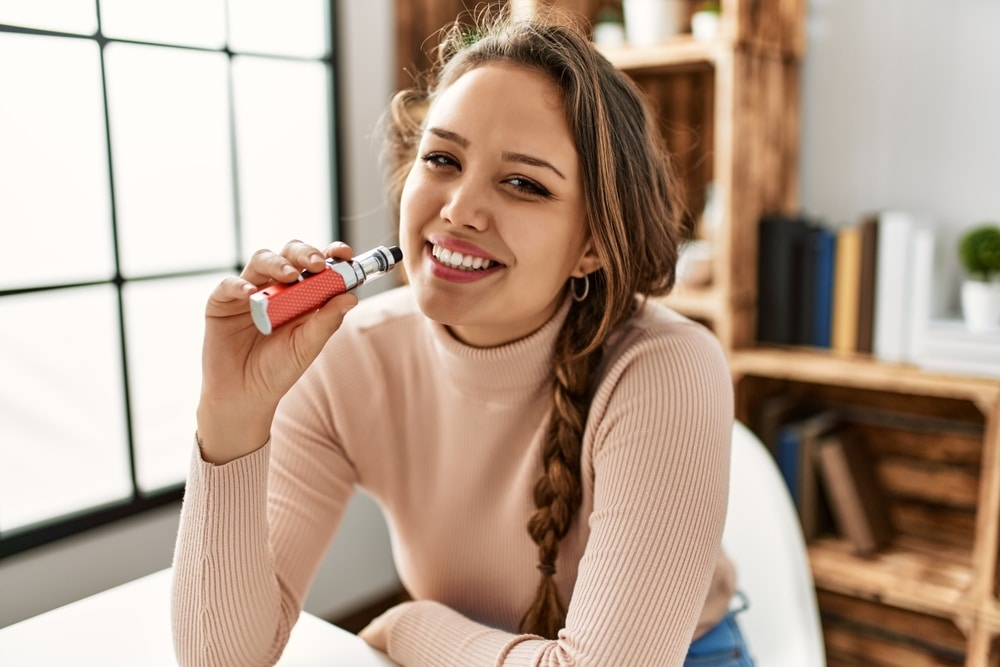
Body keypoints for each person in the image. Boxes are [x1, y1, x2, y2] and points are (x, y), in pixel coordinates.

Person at [171, 7, 752, 667]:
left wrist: (410, 626)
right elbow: (220, 658)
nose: (457, 209)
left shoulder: (665, 367)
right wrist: (231, 414)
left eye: (523, 183)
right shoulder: (349, 357)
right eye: (442, 158)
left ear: (591, 245)